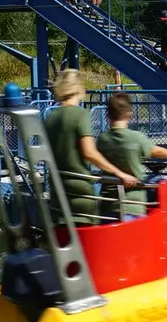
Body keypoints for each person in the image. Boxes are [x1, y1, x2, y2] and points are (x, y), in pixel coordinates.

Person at [44, 69, 140, 224]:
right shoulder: (80, 114)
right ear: (78, 88)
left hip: (57, 191)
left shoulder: (50, 117)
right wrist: (119, 173)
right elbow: (89, 153)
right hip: (80, 193)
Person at [96, 92, 167, 220]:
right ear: (129, 114)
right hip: (132, 206)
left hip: (108, 206)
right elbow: (155, 151)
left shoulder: (102, 139)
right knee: (161, 182)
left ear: (108, 115)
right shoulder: (137, 138)